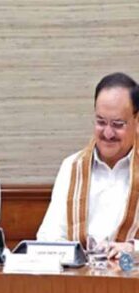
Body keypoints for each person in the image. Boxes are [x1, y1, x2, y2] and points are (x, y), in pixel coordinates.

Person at [37, 73, 139, 259]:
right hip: (81, 274)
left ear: (137, 121)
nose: (108, 133)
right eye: (101, 122)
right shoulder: (72, 167)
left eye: (117, 124)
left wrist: (134, 249)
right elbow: (48, 236)